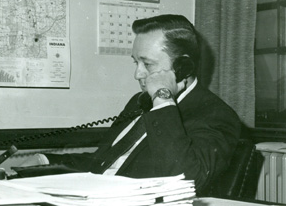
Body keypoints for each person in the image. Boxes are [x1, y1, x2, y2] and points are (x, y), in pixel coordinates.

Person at [18, 14, 241, 196]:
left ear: (182, 66)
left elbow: (185, 180)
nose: (137, 74)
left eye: (148, 64)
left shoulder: (214, 115)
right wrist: (45, 160)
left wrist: (163, 100)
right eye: (136, 62)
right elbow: (104, 163)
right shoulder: (139, 102)